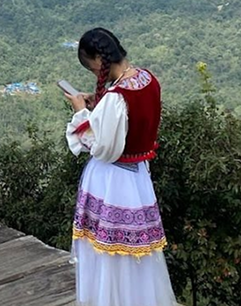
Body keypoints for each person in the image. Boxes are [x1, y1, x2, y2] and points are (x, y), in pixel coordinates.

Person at [63, 27, 177, 306]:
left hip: (112, 181)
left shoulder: (116, 98)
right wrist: (97, 106)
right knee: (135, 251)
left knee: (108, 250)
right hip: (138, 178)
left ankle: (109, 299)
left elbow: (101, 146)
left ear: (98, 61)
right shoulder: (148, 80)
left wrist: (80, 111)